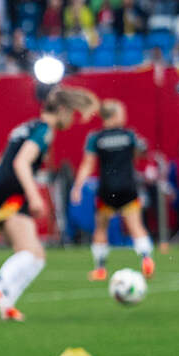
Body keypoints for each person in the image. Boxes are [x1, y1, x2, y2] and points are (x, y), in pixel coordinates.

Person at [0, 86, 98, 321]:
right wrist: (34, 196)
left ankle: (5, 303)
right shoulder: (44, 131)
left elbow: (0, 160)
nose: (72, 121)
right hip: (10, 193)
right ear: (62, 110)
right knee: (29, 252)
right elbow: (21, 163)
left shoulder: (26, 126)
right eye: (72, 114)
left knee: (37, 256)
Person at [69, 99, 155, 281]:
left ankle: (100, 268)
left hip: (107, 189)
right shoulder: (129, 135)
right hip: (128, 187)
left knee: (101, 228)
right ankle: (146, 259)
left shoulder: (96, 138)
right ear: (115, 115)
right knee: (135, 226)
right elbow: (141, 153)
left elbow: (88, 164)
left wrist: (77, 187)